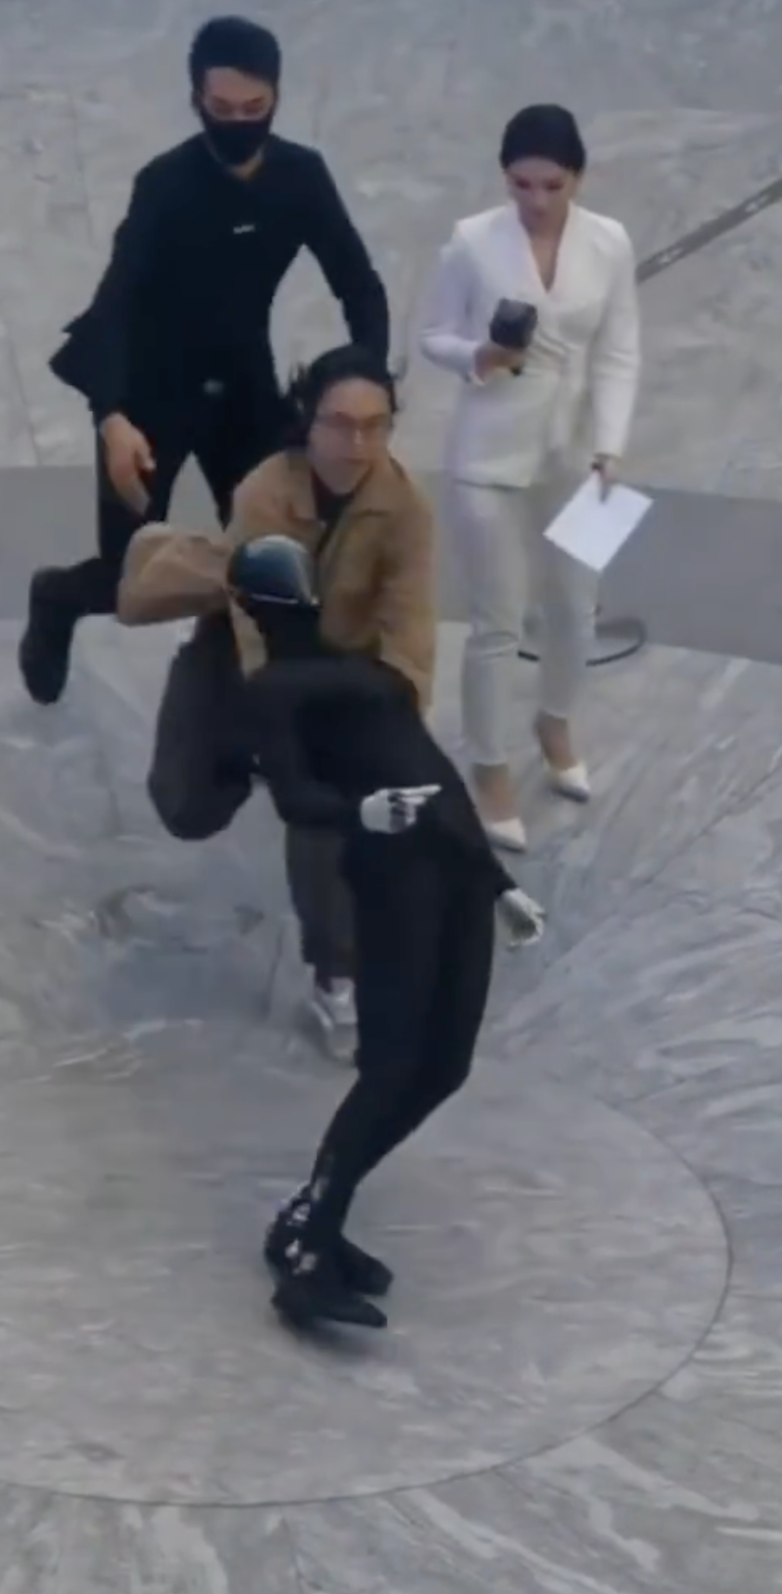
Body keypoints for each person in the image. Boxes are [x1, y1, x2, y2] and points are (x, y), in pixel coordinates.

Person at [19, 14, 390, 708]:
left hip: (242, 380)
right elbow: (115, 302)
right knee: (128, 580)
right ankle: (58, 597)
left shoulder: (302, 178)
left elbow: (358, 284)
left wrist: (367, 381)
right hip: (150, 390)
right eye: (222, 109)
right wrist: (112, 418)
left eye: (255, 108)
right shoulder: (165, 184)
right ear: (196, 100)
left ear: (276, 98)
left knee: (276, 556)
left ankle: (242, 694)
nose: (239, 123)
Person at [229, 534, 546, 1329]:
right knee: (394, 1065)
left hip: (456, 870)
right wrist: (361, 813)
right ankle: (309, 1254)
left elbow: (439, 779)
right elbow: (294, 797)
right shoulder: (273, 691)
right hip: (393, 881)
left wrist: (499, 883)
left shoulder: (371, 672)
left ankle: (310, 1216)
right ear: (253, 605)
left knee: (444, 1066)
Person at [418, 104, 641, 852]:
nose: (536, 200)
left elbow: (619, 349)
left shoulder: (608, 242)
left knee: (575, 609)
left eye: (552, 185)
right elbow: (435, 335)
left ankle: (556, 721)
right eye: (521, 184)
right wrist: (478, 357)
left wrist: (610, 442)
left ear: (578, 178)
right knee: (498, 620)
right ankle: (488, 767)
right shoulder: (472, 242)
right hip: (487, 456)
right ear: (504, 177)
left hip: (574, 454)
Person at [223, 344, 437, 1044]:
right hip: (272, 663)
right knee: (189, 799)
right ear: (308, 421)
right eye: (341, 424)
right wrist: (273, 724)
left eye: (376, 426)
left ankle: (337, 974)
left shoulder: (403, 506)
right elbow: (250, 626)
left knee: (334, 809)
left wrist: (394, 723)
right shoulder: (263, 493)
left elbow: (410, 630)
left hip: (353, 672)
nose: (358, 444)